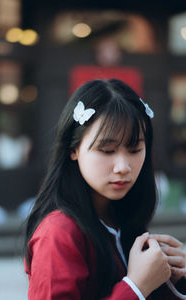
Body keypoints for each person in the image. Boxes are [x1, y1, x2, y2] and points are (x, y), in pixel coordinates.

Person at [24, 79, 186, 300]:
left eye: (135, 149)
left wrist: (176, 278)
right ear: (74, 149)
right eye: (107, 150)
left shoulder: (121, 217)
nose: (123, 167)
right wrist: (136, 286)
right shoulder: (58, 233)